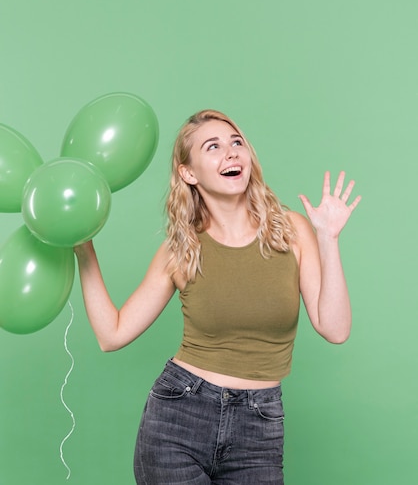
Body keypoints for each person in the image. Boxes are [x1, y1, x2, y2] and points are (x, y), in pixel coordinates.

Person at [74, 109, 361, 485]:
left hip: (259, 425)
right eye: (213, 146)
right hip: (179, 417)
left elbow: (335, 328)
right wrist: (84, 250)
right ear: (189, 173)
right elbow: (111, 334)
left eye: (236, 142)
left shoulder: (291, 230)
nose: (231, 153)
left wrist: (328, 238)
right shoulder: (181, 250)